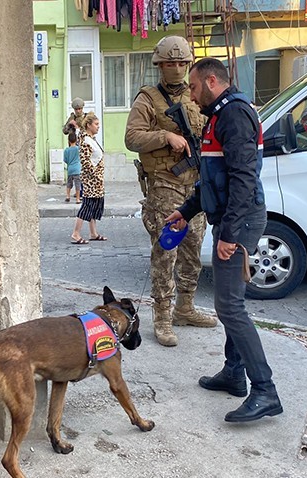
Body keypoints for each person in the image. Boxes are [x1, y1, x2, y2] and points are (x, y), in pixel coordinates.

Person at [164, 57, 282, 423]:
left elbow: (244, 178)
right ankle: (234, 373)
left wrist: (229, 234)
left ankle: (265, 390)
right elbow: (214, 180)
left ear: (212, 81)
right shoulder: (219, 115)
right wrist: (186, 210)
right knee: (232, 302)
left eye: (195, 87)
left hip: (241, 220)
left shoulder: (234, 115)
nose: (192, 95)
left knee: (229, 306)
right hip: (234, 217)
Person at [124, 35, 215, 347]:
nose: (175, 68)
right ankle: (162, 318)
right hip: (164, 185)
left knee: (193, 250)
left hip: (195, 185)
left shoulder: (197, 97)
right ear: (159, 65)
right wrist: (164, 136)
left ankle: (185, 308)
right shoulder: (148, 99)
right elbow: (132, 137)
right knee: (166, 253)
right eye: (169, 63)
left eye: (180, 63)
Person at [70, 113, 107, 244]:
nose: (98, 127)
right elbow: (85, 161)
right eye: (96, 124)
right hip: (91, 180)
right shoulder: (85, 140)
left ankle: (93, 233)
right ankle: (75, 233)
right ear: (88, 125)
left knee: (94, 206)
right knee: (87, 206)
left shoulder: (91, 138)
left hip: (96, 180)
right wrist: (95, 175)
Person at [63, 132, 82, 203]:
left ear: (68, 140)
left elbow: (65, 160)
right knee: (77, 184)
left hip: (70, 169)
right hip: (77, 169)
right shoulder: (78, 149)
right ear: (76, 140)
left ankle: (68, 196)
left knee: (69, 183)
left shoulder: (66, 150)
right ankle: (77, 199)